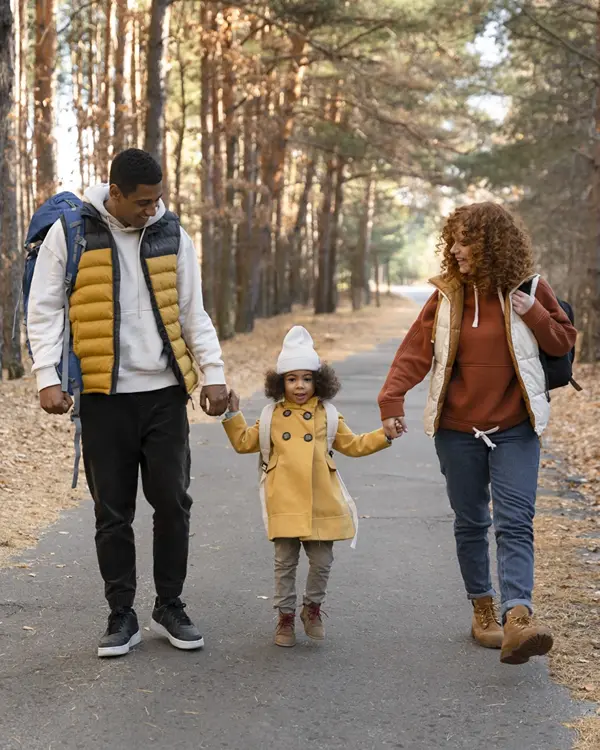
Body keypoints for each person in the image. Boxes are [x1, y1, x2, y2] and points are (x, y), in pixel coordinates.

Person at [27, 149, 228, 658]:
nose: (151, 209)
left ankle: (170, 605)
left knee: (173, 504)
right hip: (102, 396)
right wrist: (46, 377)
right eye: (142, 202)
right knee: (111, 512)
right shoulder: (70, 234)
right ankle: (122, 613)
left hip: (164, 394)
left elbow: (192, 311)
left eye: (158, 199)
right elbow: (45, 309)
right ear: (114, 193)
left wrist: (214, 373)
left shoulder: (171, 234)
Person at [378, 202, 577, 665]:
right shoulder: (448, 296)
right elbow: (414, 352)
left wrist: (534, 315)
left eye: (464, 239)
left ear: (490, 244)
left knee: (514, 520)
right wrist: (391, 400)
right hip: (456, 430)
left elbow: (563, 342)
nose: (454, 248)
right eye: (453, 239)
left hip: (515, 428)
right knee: (471, 521)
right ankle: (482, 608)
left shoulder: (530, 289)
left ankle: (518, 617)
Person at [223, 326, 391, 647]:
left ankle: (311, 608)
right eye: (291, 378)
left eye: (307, 378)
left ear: (319, 380)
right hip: (284, 498)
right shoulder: (272, 415)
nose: (299, 386)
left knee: (322, 562)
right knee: (284, 563)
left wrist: (385, 434)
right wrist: (233, 414)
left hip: (321, 501)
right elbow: (245, 442)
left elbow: (353, 445)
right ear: (280, 382)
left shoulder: (327, 414)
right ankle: (285, 618)